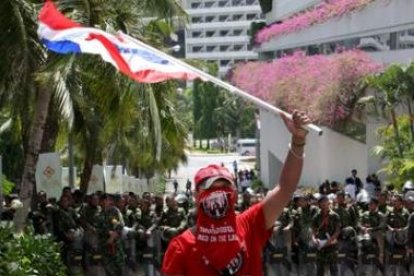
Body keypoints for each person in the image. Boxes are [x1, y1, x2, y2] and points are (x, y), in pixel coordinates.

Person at [161, 110, 310, 276]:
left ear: (235, 194)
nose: (219, 195)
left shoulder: (249, 225)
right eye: (210, 188)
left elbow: (286, 188)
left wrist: (298, 140)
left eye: (225, 188)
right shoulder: (181, 247)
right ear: (196, 196)